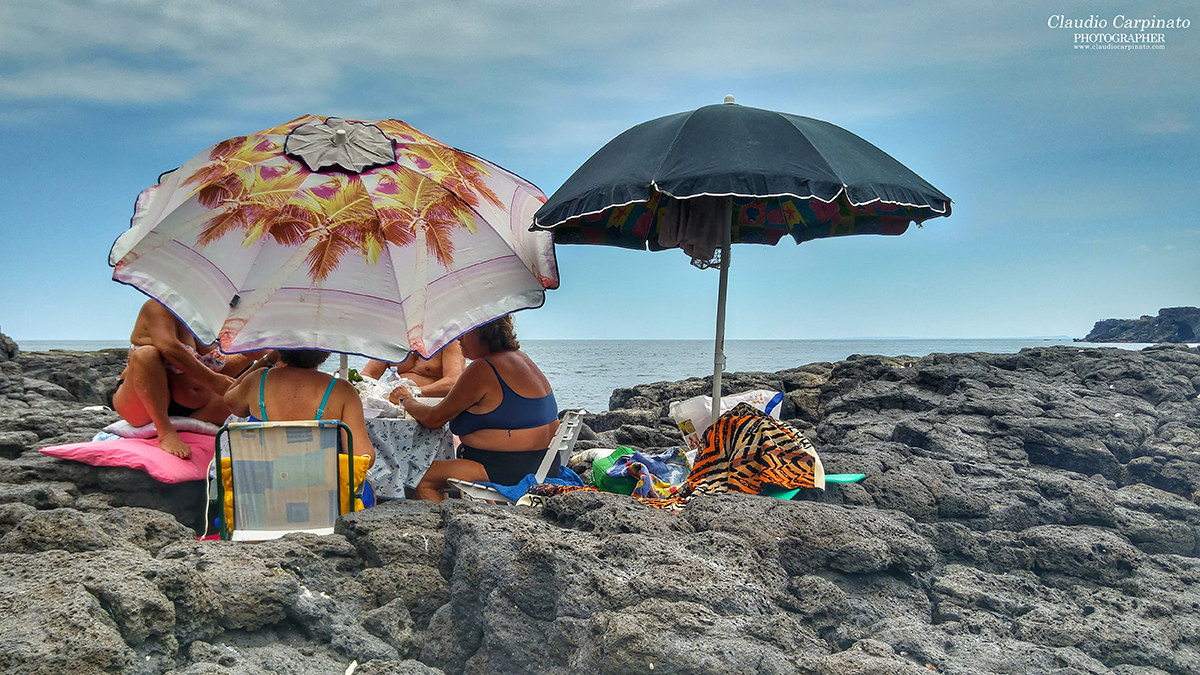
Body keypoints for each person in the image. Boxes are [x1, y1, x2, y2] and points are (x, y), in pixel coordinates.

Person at [390, 316, 558, 502]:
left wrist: (405, 399)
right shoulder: (521, 358)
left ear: (483, 332)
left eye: (464, 332)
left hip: (509, 469)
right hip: (545, 462)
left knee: (419, 478)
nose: (458, 338)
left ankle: (443, 529)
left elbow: (433, 419)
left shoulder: (484, 368)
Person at [111, 299, 262, 459]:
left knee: (251, 410)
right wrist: (214, 381)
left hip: (195, 408)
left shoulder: (198, 319)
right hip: (142, 402)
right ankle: (165, 431)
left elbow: (215, 368)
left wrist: (258, 356)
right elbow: (168, 347)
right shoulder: (157, 306)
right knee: (146, 354)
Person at [223, 349, 375, 465]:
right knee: (368, 491)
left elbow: (230, 399)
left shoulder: (258, 380)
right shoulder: (342, 390)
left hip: (261, 494)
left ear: (280, 349)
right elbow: (362, 457)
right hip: (323, 493)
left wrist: (266, 360)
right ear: (326, 353)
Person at [362, 340, 465, 398]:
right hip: (396, 404)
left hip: (431, 406)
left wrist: (414, 392)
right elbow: (368, 374)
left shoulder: (449, 341)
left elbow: (454, 382)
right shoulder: (392, 339)